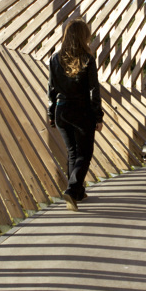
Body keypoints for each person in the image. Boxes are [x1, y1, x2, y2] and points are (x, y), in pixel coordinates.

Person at [48, 18, 104, 211]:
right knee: (85, 153)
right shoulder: (87, 58)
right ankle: (72, 190)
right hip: (81, 110)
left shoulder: (55, 58)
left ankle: (77, 192)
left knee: (73, 152)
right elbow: (93, 90)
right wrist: (98, 116)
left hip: (61, 110)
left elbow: (51, 89)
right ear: (83, 36)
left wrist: (50, 113)